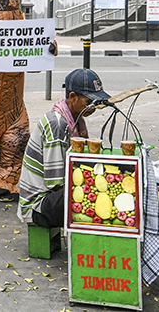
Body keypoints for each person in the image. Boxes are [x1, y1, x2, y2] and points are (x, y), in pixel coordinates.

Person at [17, 68, 111, 229]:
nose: (94, 107)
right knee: (93, 197)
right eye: (89, 102)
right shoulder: (58, 124)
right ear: (73, 97)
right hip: (36, 205)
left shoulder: (75, 119)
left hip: (49, 196)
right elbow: (56, 183)